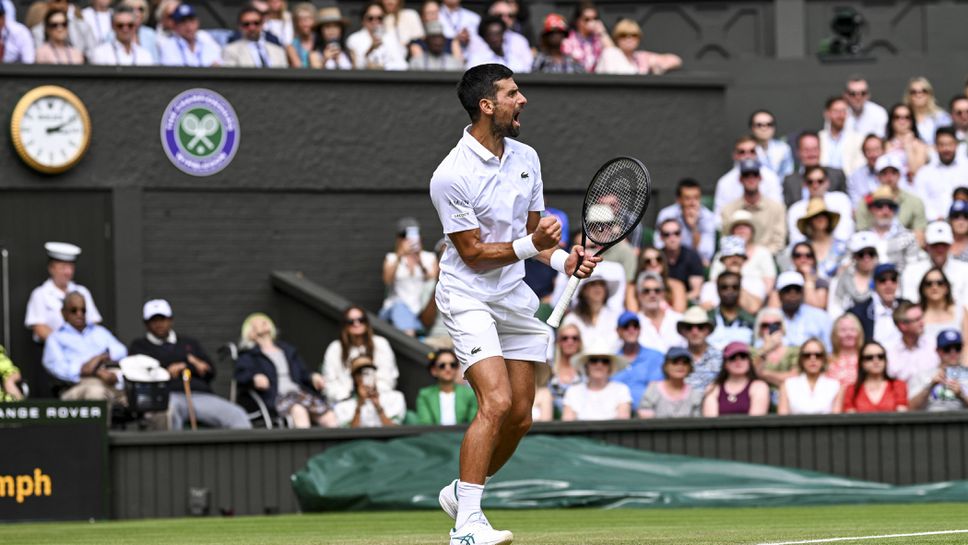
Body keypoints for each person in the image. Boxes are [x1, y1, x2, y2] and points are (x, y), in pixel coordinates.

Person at [429, 64, 599, 545]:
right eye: (512, 93)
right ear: (487, 105)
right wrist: (531, 244)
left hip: (514, 296)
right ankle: (467, 526)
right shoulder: (450, 176)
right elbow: (473, 254)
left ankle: (461, 492)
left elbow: (539, 240)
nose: (522, 100)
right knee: (497, 402)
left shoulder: (527, 157)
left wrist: (565, 259)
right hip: (467, 294)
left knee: (522, 416)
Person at [128, 299, 251, 430]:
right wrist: (167, 371)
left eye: (163, 319)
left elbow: (210, 371)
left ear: (171, 320)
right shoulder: (139, 346)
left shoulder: (189, 343)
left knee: (237, 415)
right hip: (167, 397)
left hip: (200, 395)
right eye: (154, 320)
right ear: (146, 324)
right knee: (169, 413)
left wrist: (186, 366)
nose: (159, 324)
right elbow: (140, 373)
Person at [235, 313, 337, 428]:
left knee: (329, 416)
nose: (264, 321)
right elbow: (241, 375)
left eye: (266, 320)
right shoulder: (249, 355)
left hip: (298, 393)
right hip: (276, 397)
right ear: (251, 333)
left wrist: (313, 377)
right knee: (299, 411)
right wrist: (254, 378)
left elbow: (303, 373)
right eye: (258, 321)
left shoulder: (288, 351)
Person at [42, 292, 127, 402]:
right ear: (64, 313)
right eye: (74, 310)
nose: (79, 314)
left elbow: (121, 351)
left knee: (137, 397)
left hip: (110, 380)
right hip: (78, 386)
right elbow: (60, 369)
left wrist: (100, 358)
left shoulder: (99, 331)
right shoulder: (55, 338)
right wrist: (86, 369)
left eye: (83, 310)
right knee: (96, 394)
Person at [25, 242, 102, 343]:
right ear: (51, 268)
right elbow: (39, 328)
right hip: (54, 350)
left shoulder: (83, 292)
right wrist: (64, 343)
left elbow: (93, 322)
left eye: (71, 267)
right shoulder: (40, 294)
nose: (68, 272)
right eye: (63, 267)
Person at [322, 306, 398, 404]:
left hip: (377, 398)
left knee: (397, 399)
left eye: (361, 320)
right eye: (351, 321)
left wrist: (370, 393)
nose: (357, 324)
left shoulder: (381, 344)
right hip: (345, 401)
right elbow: (329, 383)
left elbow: (388, 379)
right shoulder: (335, 348)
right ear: (345, 325)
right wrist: (348, 396)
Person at [380, 217, 439, 336]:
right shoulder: (391, 258)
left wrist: (419, 260)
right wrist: (400, 256)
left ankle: (411, 332)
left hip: (419, 309)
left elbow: (433, 280)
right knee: (399, 307)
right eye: (404, 236)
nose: (408, 240)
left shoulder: (429, 257)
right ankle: (411, 335)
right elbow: (387, 280)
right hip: (394, 307)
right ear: (399, 239)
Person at [720, 158, 787, 254]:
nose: (751, 179)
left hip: (768, 260)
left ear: (760, 178)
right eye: (746, 175)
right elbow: (726, 241)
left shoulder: (776, 208)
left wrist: (758, 256)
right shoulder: (728, 210)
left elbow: (779, 243)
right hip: (737, 260)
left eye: (754, 175)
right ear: (740, 179)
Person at [714, 138, 783, 224]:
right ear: (735, 155)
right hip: (736, 229)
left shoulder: (771, 178)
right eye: (742, 152)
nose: (748, 156)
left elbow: (777, 211)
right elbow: (719, 218)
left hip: (765, 228)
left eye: (752, 151)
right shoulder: (724, 183)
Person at [561, 340, 632, 421]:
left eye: (605, 361)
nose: (599, 365)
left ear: (610, 366)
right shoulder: (573, 392)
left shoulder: (621, 390)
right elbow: (567, 426)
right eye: (594, 360)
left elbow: (623, 425)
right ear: (586, 365)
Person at [903, 222, 968, 306]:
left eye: (944, 245)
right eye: (935, 245)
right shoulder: (911, 271)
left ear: (950, 246)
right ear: (927, 246)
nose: (940, 250)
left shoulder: (965, 270)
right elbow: (909, 304)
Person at [786, 166, 854, 247]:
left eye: (820, 181)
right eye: (810, 182)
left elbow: (844, 233)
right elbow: (796, 240)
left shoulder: (841, 199)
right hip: (807, 254)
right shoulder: (795, 209)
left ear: (827, 182)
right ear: (804, 184)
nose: (815, 185)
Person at [654, 178, 716, 266]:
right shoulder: (666, 214)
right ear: (678, 200)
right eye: (687, 198)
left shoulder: (708, 217)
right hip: (670, 260)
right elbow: (658, 245)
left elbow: (706, 254)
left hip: (694, 262)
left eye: (696, 198)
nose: (692, 203)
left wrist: (694, 228)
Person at [609, 311, 664, 411]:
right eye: (626, 327)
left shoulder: (655, 357)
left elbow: (656, 390)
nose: (631, 330)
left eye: (635, 326)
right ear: (618, 331)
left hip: (649, 413)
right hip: (617, 415)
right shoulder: (611, 361)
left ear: (640, 330)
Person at [862, 184, 922, 273]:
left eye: (890, 206)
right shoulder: (862, 237)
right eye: (880, 206)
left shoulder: (908, 238)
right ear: (872, 209)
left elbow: (913, 269)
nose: (885, 211)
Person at [333, 356, 407, 427]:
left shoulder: (395, 397)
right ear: (355, 378)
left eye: (370, 371)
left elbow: (394, 430)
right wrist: (359, 406)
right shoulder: (343, 406)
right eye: (361, 373)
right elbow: (348, 435)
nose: (366, 376)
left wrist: (378, 406)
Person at [701, 341, 770, 417]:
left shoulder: (759, 387)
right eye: (732, 358)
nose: (738, 361)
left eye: (743, 356)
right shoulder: (713, 388)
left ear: (749, 361)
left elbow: (756, 422)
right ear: (725, 364)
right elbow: (710, 423)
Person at [777, 338, 843, 415]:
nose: (813, 359)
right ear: (801, 359)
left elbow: (836, 420)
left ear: (824, 358)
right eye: (807, 355)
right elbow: (782, 419)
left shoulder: (836, 385)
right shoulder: (787, 385)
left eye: (818, 355)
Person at [781, 131, 848, 207]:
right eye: (806, 150)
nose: (811, 154)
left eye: (815, 149)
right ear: (798, 152)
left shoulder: (837, 176)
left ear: (820, 150)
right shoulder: (790, 181)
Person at [789, 197, 847, 282]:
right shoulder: (801, 249)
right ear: (809, 221)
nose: (820, 219)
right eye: (815, 216)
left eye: (824, 215)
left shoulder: (842, 246)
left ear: (828, 218)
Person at [915, 128, 968, 221]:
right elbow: (920, 200)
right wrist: (935, 217)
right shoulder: (924, 173)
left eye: (950, 144)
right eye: (942, 145)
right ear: (935, 147)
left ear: (956, 145)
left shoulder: (966, 168)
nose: (946, 149)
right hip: (933, 223)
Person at [908, 329, 968, 411]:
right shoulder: (923, 375)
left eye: (957, 348)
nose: (953, 352)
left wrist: (961, 395)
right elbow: (911, 408)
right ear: (937, 350)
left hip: (961, 421)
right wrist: (930, 386)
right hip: (931, 421)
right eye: (947, 349)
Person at [596, 17, 680, 75]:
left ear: (639, 38)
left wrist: (660, 67)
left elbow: (676, 60)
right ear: (617, 38)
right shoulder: (610, 54)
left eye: (634, 35)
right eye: (623, 35)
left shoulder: (641, 58)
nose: (629, 39)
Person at [416, 349, 478, 425]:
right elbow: (425, 425)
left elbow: (473, 424)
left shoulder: (470, 394)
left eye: (453, 365)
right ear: (434, 370)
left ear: (457, 369)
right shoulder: (425, 395)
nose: (448, 369)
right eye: (442, 365)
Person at [638, 347, 703, 418]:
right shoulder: (653, 389)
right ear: (665, 366)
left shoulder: (695, 392)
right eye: (675, 362)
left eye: (685, 362)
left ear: (690, 367)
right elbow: (645, 420)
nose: (680, 366)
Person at [844, 340, 908, 413]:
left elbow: (902, 416)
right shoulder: (852, 390)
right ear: (862, 363)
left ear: (886, 361)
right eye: (869, 357)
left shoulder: (898, 385)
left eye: (880, 356)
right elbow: (850, 419)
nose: (876, 360)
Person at [465, 2, 531, 72]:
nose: (505, 19)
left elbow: (527, 68)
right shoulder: (475, 40)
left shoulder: (520, 41)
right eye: (500, 15)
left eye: (510, 16)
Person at [849, 263, 904, 346]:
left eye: (893, 279)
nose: (889, 285)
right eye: (883, 280)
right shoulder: (860, 312)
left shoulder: (906, 306)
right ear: (874, 284)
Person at [561, 272, 620, 349]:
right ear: (584, 291)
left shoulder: (616, 317)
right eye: (593, 284)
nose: (598, 288)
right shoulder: (572, 319)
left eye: (601, 284)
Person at [886, 301, 939, 384]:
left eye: (921, 317)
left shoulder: (934, 344)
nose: (922, 323)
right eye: (917, 320)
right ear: (902, 326)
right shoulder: (890, 352)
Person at [828, 231, 879, 319]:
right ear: (854, 257)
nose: (866, 258)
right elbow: (835, 307)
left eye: (871, 253)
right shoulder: (841, 278)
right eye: (861, 254)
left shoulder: (886, 277)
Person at [777, 271, 832, 350]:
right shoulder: (770, 318)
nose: (793, 294)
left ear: (803, 292)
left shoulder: (820, 317)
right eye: (787, 290)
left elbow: (829, 348)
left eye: (797, 290)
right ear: (779, 294)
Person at [346, 2, 407, 70]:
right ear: (363, 20)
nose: (375, 21)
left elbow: (403, 65)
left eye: (379, 18)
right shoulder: (354, 39)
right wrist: (370, 50)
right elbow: (356, 66)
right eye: (370, 18)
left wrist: (383, 67)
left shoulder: (391, 38)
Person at [635, 271, 686, 353]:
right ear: (639, 295)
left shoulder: (679, 320)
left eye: (657, 290)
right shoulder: (633, 324)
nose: (652, 295)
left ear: (663, 294)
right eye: (646, 291)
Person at [678, 306, 724, 395]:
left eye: (700, 327)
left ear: (708, 331)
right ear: (683, 331)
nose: (695, 332)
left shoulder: (721, 357)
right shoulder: (676, 359)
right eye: (689, 327)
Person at [751, 307, 799, 390]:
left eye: (776, 325)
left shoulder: (795, 351)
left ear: (782, 327)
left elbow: (794, 378)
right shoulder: (752, 351)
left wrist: (763, 374)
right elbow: (750, 375)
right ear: (759, 329)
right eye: (765, 325)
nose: (771, 329)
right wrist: (766, 349)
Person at [223, 6, 288, 67]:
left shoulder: (278, 51)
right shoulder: (231, 50)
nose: (252, 28)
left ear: (262, 24)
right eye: (246, 24)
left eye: (256, 23)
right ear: (240, 26)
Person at [656, 218, 703, 302]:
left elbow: (696, 292)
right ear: (661, 237)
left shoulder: (692, 257)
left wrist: (677, 301)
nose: (672, 238)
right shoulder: (656, 258)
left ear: (681, 235)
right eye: (667, 234)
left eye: (676, 233)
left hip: (686, 302)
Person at [706, 270, 755, 349]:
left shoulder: (751, 321)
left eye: (734, 287)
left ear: (740, 290)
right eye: (724, 287)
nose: (730, 291)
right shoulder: (707, 319)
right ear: (717, 289)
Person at [90, 6, 154, 65]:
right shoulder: (101, 53)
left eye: (130, 25)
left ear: (135, 26)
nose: (125, 29)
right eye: (120, 26)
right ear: (113, 26)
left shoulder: (144, 55)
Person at [819, 96, 865, 176]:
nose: (840, 115)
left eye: (843, 111)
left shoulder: (859, 139)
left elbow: (860, 167)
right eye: (836, 111)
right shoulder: (819, 138)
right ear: (827, 114)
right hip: (821, 183)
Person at [560, 0, 611, 73]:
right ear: (577, 20)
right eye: (587, 19)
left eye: (595, 18)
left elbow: (612, 55)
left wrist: (602, 32)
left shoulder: (599, 39)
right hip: (577, 78)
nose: (591, 22)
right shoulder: (568, 39)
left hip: (599, 79)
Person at [884, 103, 929, 179]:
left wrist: (908, 146)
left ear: (912, 121)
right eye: (897, 117)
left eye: (907, 117)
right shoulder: (885, 144)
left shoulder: (920, 145)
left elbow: (917, 172)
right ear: (891, 121)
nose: (902, 121)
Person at [635, 247, 687, 312]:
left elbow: (679, 313)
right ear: (641, 264)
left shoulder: (676, 285)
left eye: (658, 259)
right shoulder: (633, 287)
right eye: (648, 261)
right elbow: (633, 313)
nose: (654, 263)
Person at [904, 76, 952, 146]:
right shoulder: (902, 116)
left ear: (929, 94)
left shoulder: (941, 117)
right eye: (914, 92)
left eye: (923, 91)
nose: (918, 95)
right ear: (909, 95)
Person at [548, 324, 583, 415]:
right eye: (565, 338)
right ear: (558, 342)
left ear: (580, 342)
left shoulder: (587, 370)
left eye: (574, 338)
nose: (570, 342)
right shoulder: (548, 370)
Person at [785, 241, 829, 310]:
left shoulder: (820, 282)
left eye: (808, 255)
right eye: (798, 255)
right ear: (792, 259)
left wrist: (808, 278)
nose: (803, 259)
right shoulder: (785, 280)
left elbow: (816, 309)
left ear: (814, 259)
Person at [749, 109, 794, 177]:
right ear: (752, 128)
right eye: (759, 125)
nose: (764, 128)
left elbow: (787, 175)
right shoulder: (745, 149)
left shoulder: (783, 148)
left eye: (769, 124)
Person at [846, 135, 886, 207]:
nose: (873, 154)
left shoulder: (895, 173)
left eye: (877, 150)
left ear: (883, 151)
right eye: (869, 151)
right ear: (864, 153)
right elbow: (857, 206)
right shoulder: (855, 177)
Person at [826, 313, 865, 388]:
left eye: (852, 330)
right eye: (843, 330)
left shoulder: (867, 359)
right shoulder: (827, 361)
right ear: (835, 334)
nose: (848, 334)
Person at [285, 2, 314, 67]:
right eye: (301, 19)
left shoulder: (319, 42)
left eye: (308, 18)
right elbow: (299, 68)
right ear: (296, 23)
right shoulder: (292, 47)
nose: (305, 23)